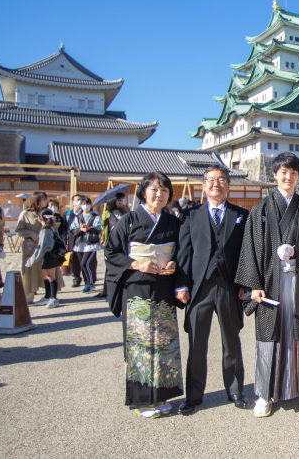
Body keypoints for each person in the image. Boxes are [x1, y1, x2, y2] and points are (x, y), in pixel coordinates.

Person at [235, 152, 299, 417]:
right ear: (274, 174)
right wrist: (253, 285)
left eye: (293, 173)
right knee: (270, 338)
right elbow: (250, 249)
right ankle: (265, 393)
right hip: (271, 284)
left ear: (298, 177)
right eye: (283, 172)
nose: (288, 177)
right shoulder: (261, 210)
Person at [104, 172, 184, 418]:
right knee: (140, 342)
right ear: (143, 192)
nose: (159, 195)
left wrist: (174, 264)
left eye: (164, 191)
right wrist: (137, 264)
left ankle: (161, 396)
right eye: (154, 190)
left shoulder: (173, 222)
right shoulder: (127, 221)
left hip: (163, 287)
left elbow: (182, 252)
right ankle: (142, 399)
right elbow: (111, 252)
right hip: (136, 287)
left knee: (163, 342)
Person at [175, 165, 250, 415]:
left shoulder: (240, 215)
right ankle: (194, 395)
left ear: (228, 185)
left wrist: (244, 285)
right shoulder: (190, 215)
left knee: (232, 340)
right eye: (211, 180)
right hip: (200, 287)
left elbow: (245, 255)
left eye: (221, 180)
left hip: (229, 286)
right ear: (204, 185)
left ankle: (236, 390)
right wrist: (182, 285)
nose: (216, 184)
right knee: (196, 343)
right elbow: (184, 252)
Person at [25, 208, 66, 309]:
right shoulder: (52, 227)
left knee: (50, 276)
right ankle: (47, 296)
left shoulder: (46, 229)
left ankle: (53, 298)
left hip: (49, 254)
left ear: (39, 218)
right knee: (45, 275)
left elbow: (41, 247)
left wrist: (31, 261)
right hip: (53, 254)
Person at [16, 192, 47, 303]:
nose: (44, 201)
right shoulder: (25, 213)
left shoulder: (48, 213)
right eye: (41, 199)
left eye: (45, 199)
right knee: (29, 271)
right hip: (31, 246)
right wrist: (31, 234)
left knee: (47, 271)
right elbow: (19, 230)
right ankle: (28, 295)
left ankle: (49, 295)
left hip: (46, 247)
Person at [70, 196, 102, 293]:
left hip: (91, 243)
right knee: (81, 264)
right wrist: (80, 229)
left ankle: (91, 283)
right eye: (83, 204)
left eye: (87, 204)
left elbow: (98, 229)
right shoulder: (78, 217)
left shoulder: (95, 216)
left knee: (86, 263)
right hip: (80, 244)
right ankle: (86, 282)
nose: (85, 206)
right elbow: (73, 229)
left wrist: (89, 228)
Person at [98, 196, 127, 299]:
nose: (120, 202)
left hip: (123, 240)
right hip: (110, 240)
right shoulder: (106, 214)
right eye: (119, 200)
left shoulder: (124, 212)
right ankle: (106, 289)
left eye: (121, 200)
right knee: (109, 265)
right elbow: (104, 227)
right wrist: (102, 237)